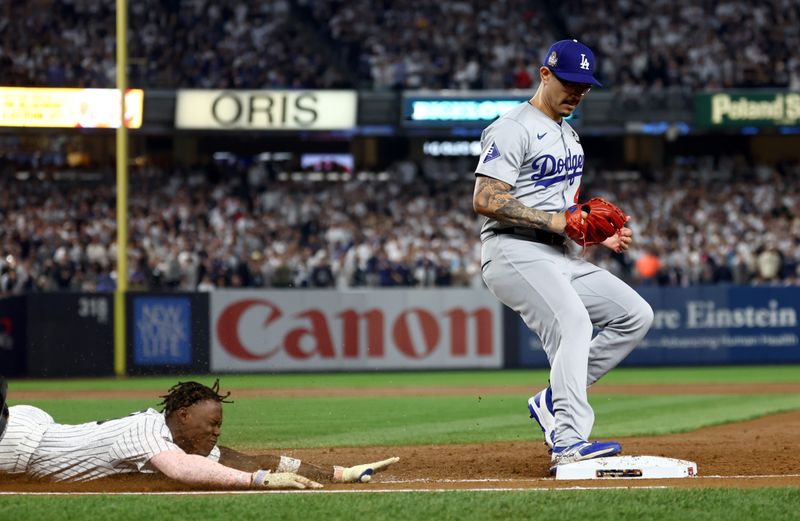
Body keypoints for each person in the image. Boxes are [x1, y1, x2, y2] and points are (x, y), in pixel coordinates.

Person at [472, 39, 654, 473]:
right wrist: (558, 223)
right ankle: (568, 442)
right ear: (545, 74)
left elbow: (569, 214)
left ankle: (551, 400)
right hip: (511, 247)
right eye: (569, 82)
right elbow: (486, 197)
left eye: (585, 87)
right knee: (573, 321)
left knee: (635, 315)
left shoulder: (571, 137)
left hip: (558, 256)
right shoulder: (512, 127)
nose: (576, 93)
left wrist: (597, 237)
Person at [0, 376, 399, 488]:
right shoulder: (147, 431)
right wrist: (256, 481)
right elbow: (180, 470)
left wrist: (338, 473)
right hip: (19, 443)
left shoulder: (186, 441)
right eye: (212, 424)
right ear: (184, 415)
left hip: (35, 427)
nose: (216, 433)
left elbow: (256, 459)